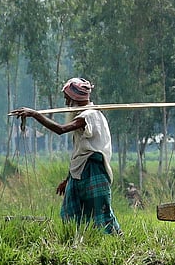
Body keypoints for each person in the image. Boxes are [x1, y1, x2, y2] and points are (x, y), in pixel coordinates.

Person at [10, 77, 121, 234]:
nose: (66, 103)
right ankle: (77, 242)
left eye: (67, 99)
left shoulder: (88, 116)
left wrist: (35, 115)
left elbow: (60, 129)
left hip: (93, 171)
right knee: (71, 212)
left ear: (74, 98)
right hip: (80, 172)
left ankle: (115, 241)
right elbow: (80, 152)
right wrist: (68, 179)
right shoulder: (83, 115)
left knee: (100, 215)